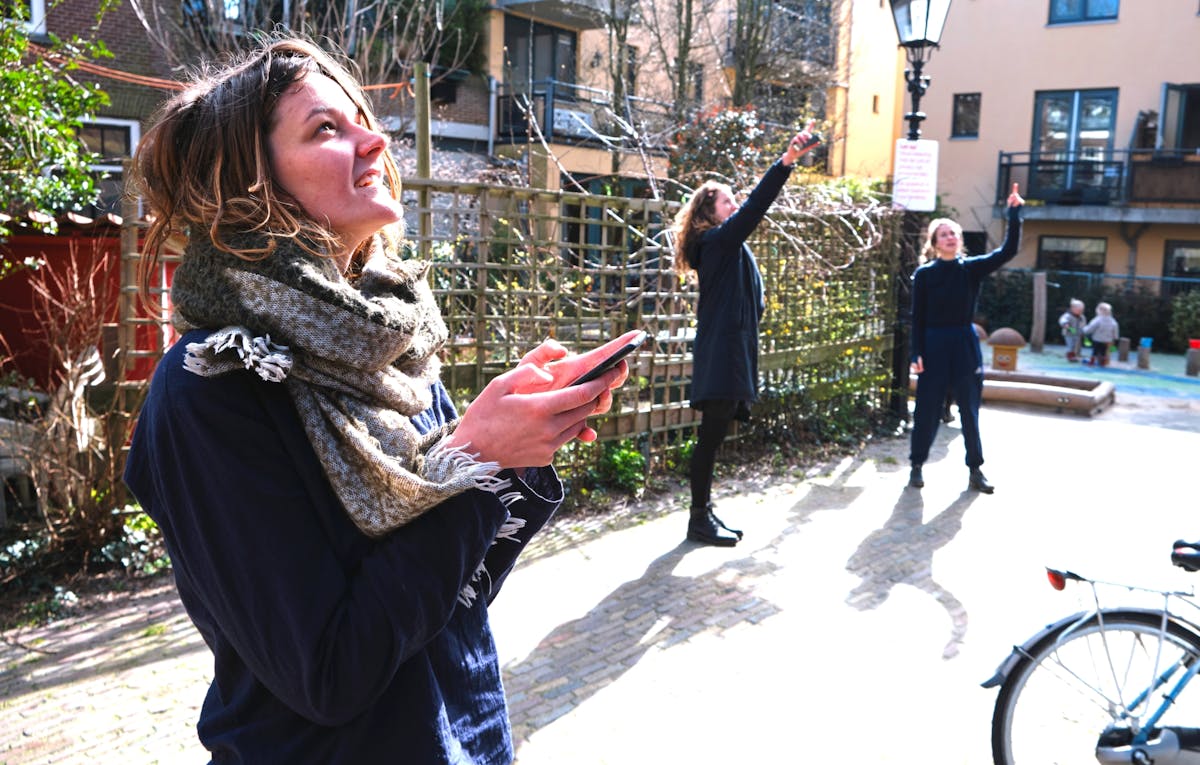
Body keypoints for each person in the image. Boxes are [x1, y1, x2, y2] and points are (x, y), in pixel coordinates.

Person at [123, 37, 632, 764]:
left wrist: (509, 444)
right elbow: (327, 672)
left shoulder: (390, 342)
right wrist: (474, 457)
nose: (376, 138)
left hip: (470, 739)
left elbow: (453, 595)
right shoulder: (210, 387)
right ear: (251, 185)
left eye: (363, 116)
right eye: (327, 128)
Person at [671, 122, 820, 546]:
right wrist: (786, 162)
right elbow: (757, 207)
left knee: (713, 438)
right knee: (709, 439)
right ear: (708, 212)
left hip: (731, 353)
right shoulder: (718, 242)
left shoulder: (726, 245)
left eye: (734, 201)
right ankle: (698, 519)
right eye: (727, 202)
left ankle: (703, 513)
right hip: (722, 355)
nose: (735, 207)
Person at [908, 183, 1025, 494]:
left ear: (959, 240)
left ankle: (976, 470)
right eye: (944, 233)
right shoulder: (924, 275)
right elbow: (916, 318)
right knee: (927, 409)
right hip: (933, 345)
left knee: (970, 410)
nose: (950, 236)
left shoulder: (971, 269)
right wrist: (914, 353)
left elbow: (1008, 251)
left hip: (964, 343)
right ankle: (916, 466)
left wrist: (1015, 213)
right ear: (934, 242)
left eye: (953, 232)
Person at [1083, 301, 1120, 366]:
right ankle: (1103, 362)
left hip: (1097, 339)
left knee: (1095, 351)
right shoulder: (1112, 321)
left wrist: (1084, 330)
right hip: (1107, 340)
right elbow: (1115, 329)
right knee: (1104, 352)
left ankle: (1092, 362)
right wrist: (1115, 337)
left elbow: (1091, 327)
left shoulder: (1098, 319)